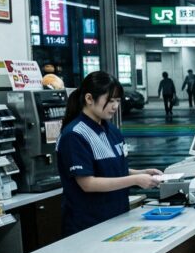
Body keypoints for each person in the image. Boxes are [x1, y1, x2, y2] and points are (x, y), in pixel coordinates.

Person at [56, 72, 161, 237]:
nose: (115, 106)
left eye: (118, 101)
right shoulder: (74, 135)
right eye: (110, 100)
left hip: (116, 217)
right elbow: (88, 183)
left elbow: (111, 170)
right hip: (87, 225)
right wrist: (135, 180)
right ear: (89, 99)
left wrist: (142, 173)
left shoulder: (111, 130)